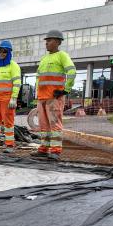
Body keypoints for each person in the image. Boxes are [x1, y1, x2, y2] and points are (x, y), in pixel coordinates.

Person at [33, 30, 76, 160]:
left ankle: (55, 151)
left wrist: (65, 90)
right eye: (46, 40)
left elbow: (72, 72)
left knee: (55, 124)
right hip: (42, 98)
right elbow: (38, 77)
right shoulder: (44, 59)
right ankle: (44, 149)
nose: (46, 43)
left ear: (58, 42)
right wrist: (37, 94)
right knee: (44, 125)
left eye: (49, 40)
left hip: (54, 97)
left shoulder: (62, 56)